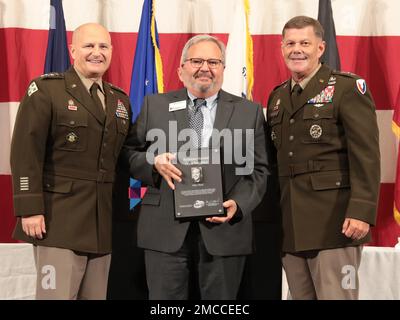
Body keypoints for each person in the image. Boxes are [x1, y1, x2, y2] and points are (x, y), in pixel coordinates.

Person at [122, 34, 268, 299]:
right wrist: (153, 163)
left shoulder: (250, 112)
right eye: (197, 61)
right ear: (181, 69)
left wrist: (239, 204)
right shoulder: (154, 105)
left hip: (223, 229)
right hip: (164, 229)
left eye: (213, 61)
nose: (205, 68)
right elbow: (129, 154)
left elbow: (259, 170)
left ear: (224, 68)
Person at [10, 23, 131, 299]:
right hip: (57, 220)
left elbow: (124, 158)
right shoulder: (47, 90)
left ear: (111, 51)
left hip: (102, 223)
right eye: (89, 46)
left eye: (103, 46)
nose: (96, 53)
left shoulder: (119, 101)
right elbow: (25, 151)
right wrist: (29, 208)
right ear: (73, 49)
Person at [266, 16, 380, 299]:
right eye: (290, 43)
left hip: (336, 223)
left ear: (320, 47)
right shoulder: (277, 97)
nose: (297, 49)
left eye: (305, 43)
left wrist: (361, 211)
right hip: (291, 225)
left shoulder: (346, 88)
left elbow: (366, 154)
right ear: (282, 49)